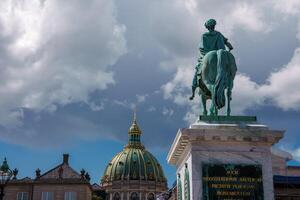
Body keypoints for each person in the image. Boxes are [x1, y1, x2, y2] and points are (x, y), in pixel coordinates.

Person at [190, 19, 233, 100]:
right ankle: (229, 89)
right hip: (221, 53)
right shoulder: (219, 34)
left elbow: (201, 48)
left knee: (198, 70)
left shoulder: (204, 36)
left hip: (206, 54)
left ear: (207, 27)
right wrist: (229, 46)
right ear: (214, 26)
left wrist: (206, 54)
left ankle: (193, 92)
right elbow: (226, 42)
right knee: (228, 69)